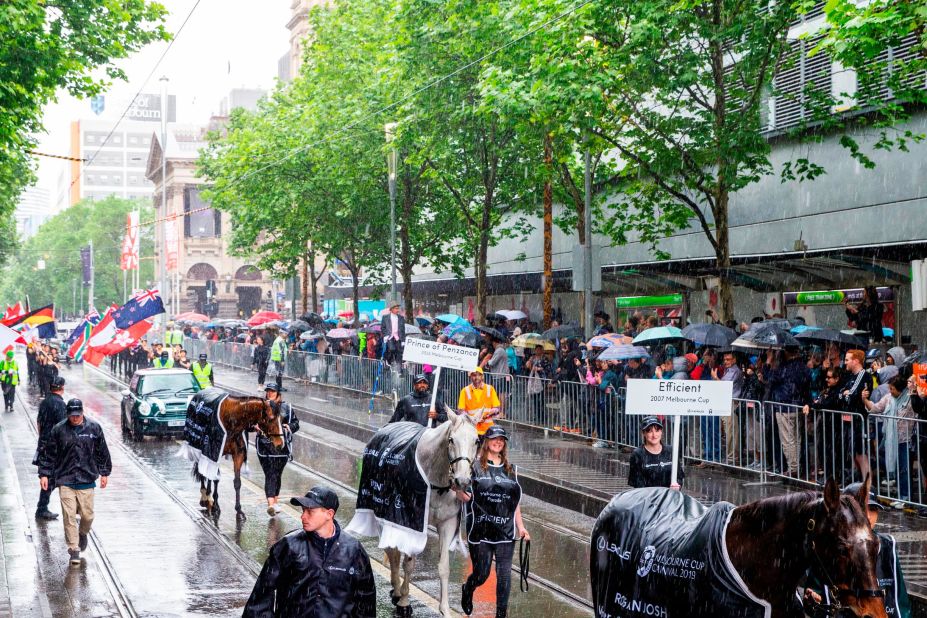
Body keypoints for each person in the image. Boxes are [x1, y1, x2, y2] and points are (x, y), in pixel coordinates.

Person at [244, 485, 376, 617]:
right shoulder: (288, 546)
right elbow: (261, 595)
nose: (303, 516)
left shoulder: (353, 550)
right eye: (303, 510)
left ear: (329, 514)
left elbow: (365, 600)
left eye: (310, 512)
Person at [801, 482, 911, 617]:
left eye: (873, 509)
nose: (868, 516)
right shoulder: (831, 548)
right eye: (862, 509)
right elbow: (814, 596)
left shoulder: (887, 545)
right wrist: (812, 600)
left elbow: (900, 602)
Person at [454, 426, 529, 618]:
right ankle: (468, 588)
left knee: (504, 575)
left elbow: (514, 503)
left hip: (505, 530)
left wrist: (521, 528)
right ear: (486, 441)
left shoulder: (510, 469)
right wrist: (460, 493)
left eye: (501, 439)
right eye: (494, 438)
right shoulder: (474, 466)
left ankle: (500, 615)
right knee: (482, 574)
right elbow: (460, 491)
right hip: (481, 530)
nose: (498, 442)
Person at [38, 398, 111, 565]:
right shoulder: (59, 430)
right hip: (65, 479)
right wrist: (44, 474)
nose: (75, 418)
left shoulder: (94, 428)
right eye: (72, 415)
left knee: (87, 515)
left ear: (82, 413)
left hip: (87, 478)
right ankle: (74, 548)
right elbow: (49, 454)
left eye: (77, 415)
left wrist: (104, 472)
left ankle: (83, 533)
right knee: (69, 515)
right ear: (68, 414)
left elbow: (102, 451)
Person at [256, 383, 300, 516]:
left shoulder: (287, 407)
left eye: (272, 391)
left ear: (278, 393)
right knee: (270, 474)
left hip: (282, 448)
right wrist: (254, 427)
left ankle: (275, 502)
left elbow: (296, 424)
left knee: (277, 474)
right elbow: (250, 423)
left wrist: (289, 427)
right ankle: (271, 504)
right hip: (265, 447)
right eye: (268, 391)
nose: (269, 393)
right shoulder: (260, 407)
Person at [34, 376, 67, 520]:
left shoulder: (45, 402)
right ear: (62, 388)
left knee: (47, 476)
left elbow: (39, 423)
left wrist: (42, 439)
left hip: (44, 442)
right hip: (55, 445)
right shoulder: (60, 405)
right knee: (53, 477)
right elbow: (62, 426)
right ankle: (42, 508)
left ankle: (42, 507)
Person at [838, 349, 871, 481]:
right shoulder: (849, 376)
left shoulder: (864, 375)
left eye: (847, 360)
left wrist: (847, 394)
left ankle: (868, 483)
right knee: (850, 452)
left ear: (856, 361)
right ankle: (855, 480)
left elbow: (851, 396)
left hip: (859, 421)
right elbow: (839, 395)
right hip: (848, 420)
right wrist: (844, 394)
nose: (844, 362)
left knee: (861, 453)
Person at [628, 416, 683, 489]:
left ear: (661, 432)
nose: (654, 435)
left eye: (657, 430)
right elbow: (637, 484)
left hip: (668, 497)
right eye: (650, 431)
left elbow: (679, 477)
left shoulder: (670, 451)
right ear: (643, 433)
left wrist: (677, 486)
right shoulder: (638, 454)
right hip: (647, 498)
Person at [458, 367, 502, 438]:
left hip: (488, 430)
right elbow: (461, 411)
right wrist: (474, 418)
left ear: (482, 376)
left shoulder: (490, 389)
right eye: (474, 375)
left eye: (479, 375)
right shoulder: (465, 391)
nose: (477, 377)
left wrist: (486, 416)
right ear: (470, 377)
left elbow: (497, 409)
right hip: (472, 430)